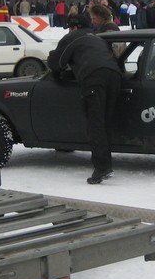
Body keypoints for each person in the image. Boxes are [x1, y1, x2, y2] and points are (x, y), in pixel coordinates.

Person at [47, 15, 121, 184]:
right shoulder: (96, 37)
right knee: (105, 122)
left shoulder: (72, 37)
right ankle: (106, 163)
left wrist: (57, 74)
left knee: (96, 123)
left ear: (73, 27)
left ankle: (102, 168)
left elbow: (56, 62)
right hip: (115, 75)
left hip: (94, 77)